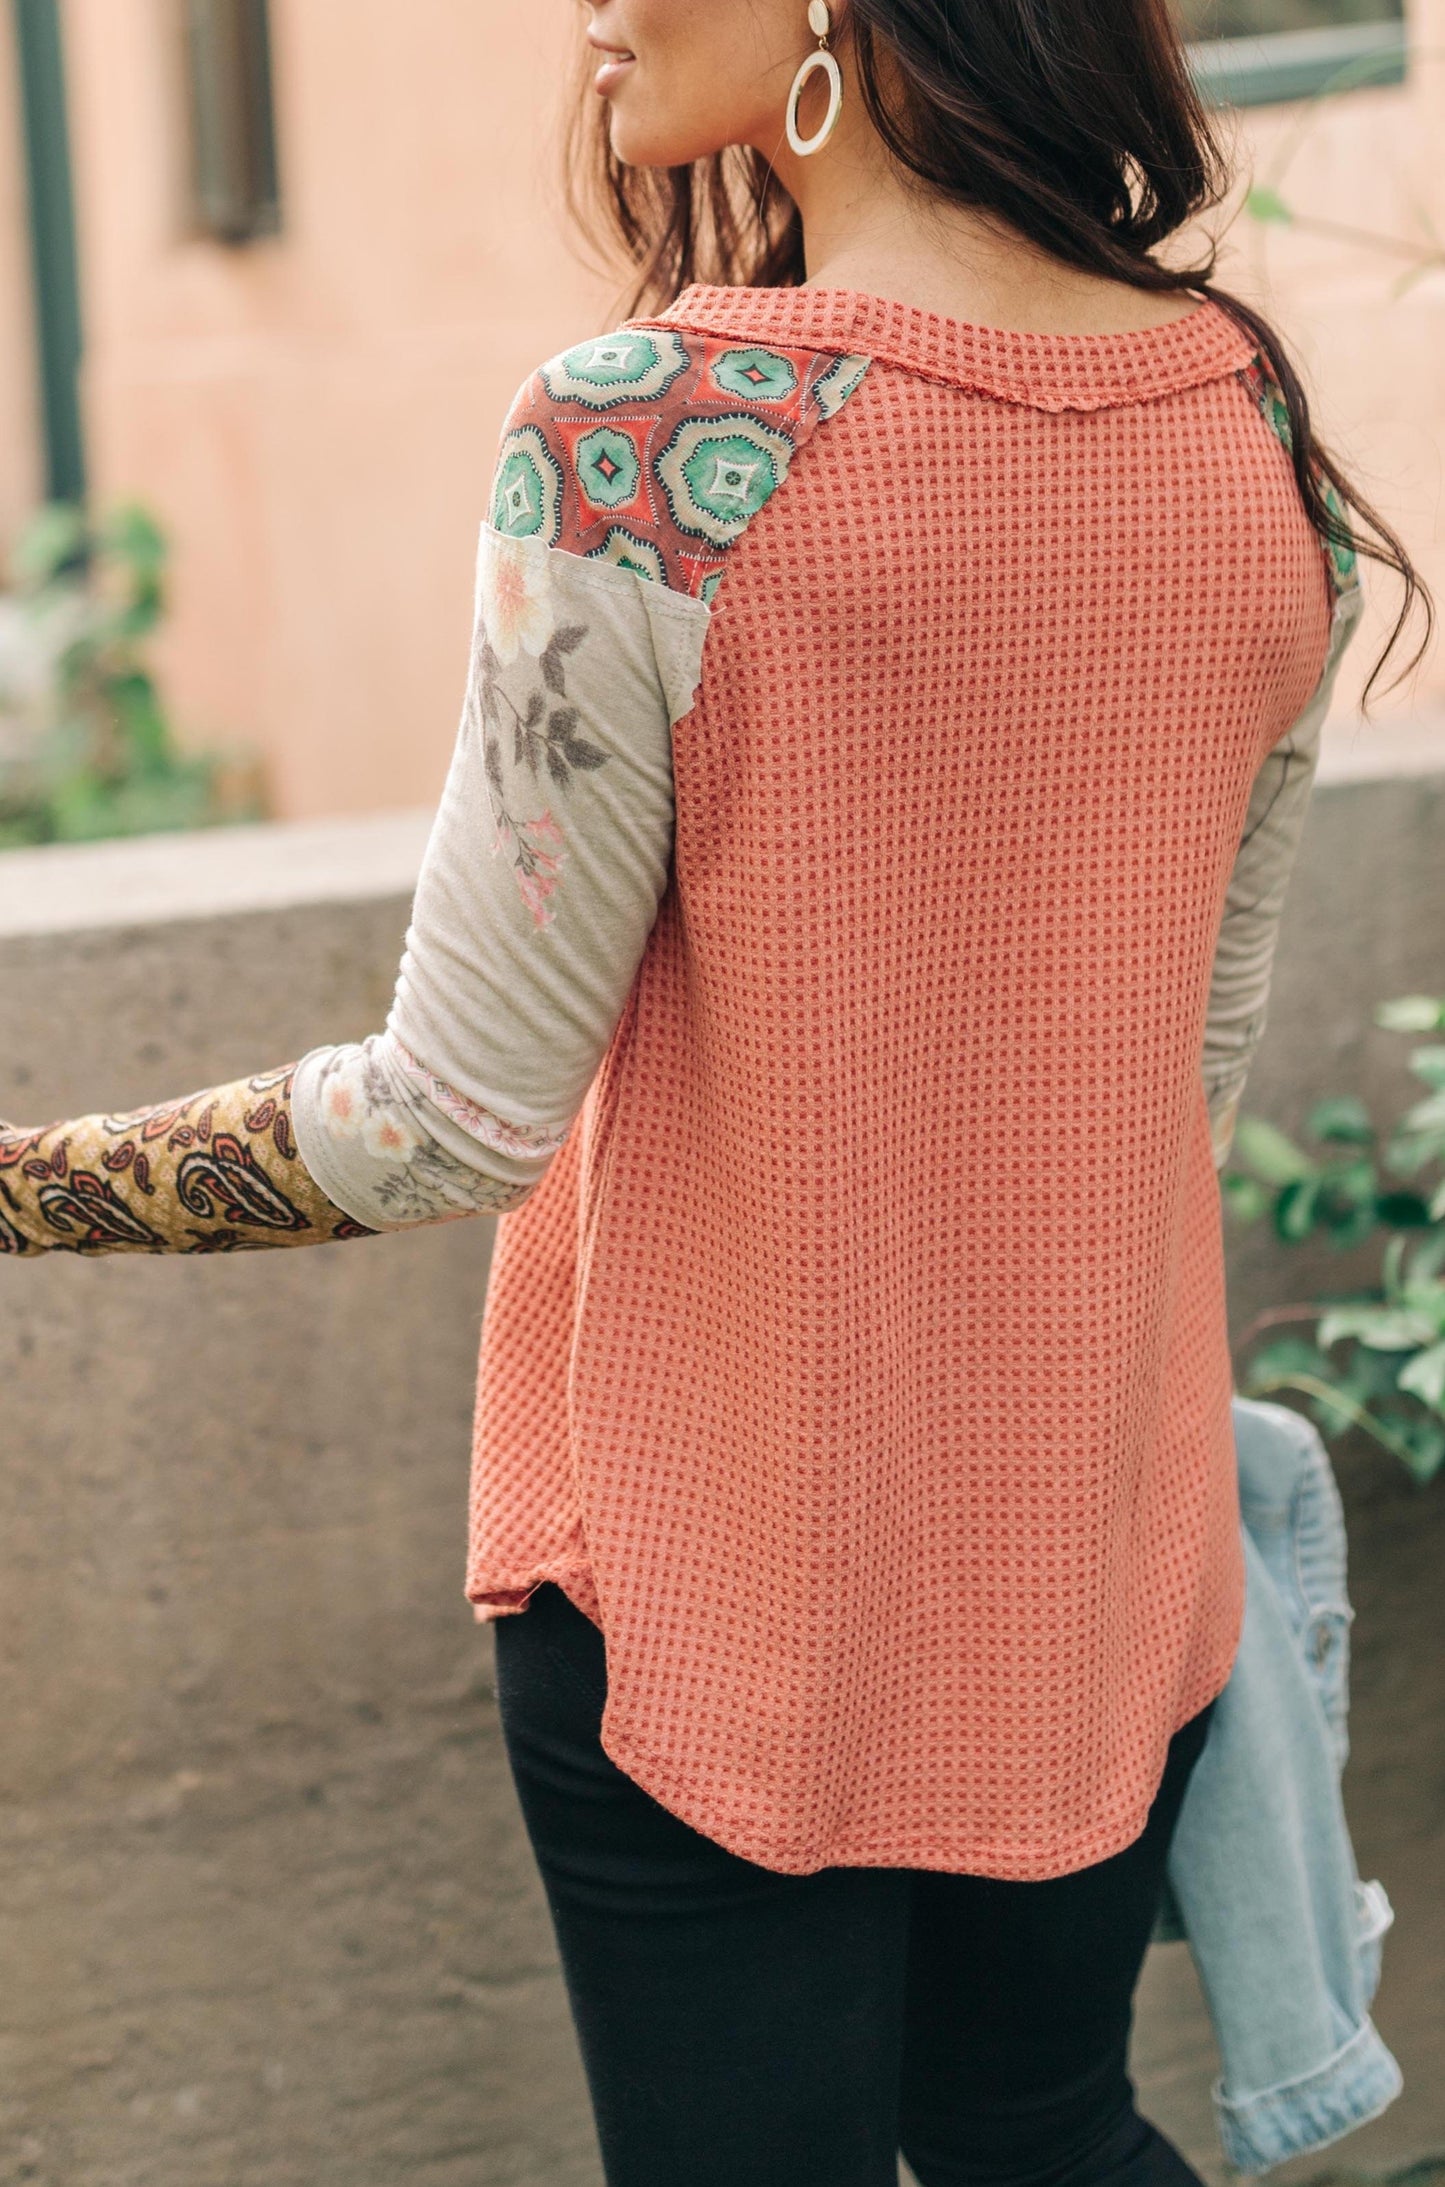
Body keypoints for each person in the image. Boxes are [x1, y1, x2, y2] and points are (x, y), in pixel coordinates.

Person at [1, 2, 1432, 2182]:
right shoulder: (1247, 424)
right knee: (1046, 2132)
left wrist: (21, 1184)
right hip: (1080, 1573)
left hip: (710, 1595)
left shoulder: (659, 431)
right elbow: (1178, 1080)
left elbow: (447, 1118)